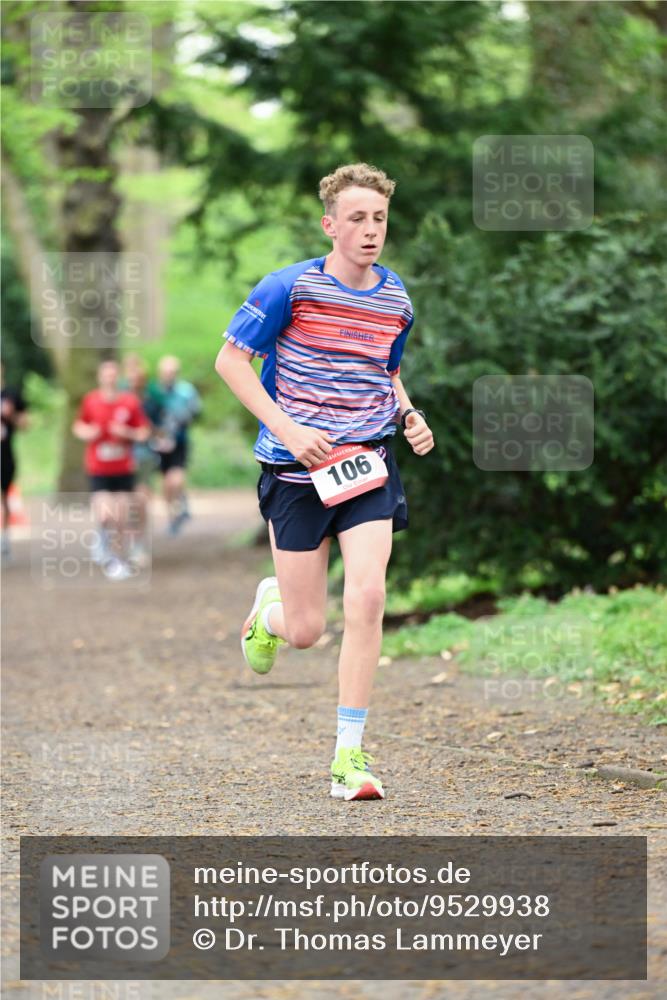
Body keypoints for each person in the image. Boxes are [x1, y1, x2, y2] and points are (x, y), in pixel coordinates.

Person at [215, 162, 434, 801]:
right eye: (358, 219)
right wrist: (288, 429)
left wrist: (410, 414)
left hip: (367, 464)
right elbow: (231, 362)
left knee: (366, 598)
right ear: (330, 225)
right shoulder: (289, 288)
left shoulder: (396, 299)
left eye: (380, 220)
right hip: (295, 471)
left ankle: (349, 757)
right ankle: (271, 612)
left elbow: (384, 374)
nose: (371, 232)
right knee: (307, 630)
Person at [72, 359, 150, 580]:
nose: (110, 378)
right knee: (106, 514)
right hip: (99, 469)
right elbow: (79, 426)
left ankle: (118, 559)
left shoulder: (130, 402)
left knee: (122, 517)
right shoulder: (91, 400)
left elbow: (144, 432)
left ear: (118, 377)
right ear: (100, 377)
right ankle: (104, 542)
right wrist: (88, 432)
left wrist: (127, 433)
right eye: (106, 375)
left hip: (123, 469)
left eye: (113, 375)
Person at [121, 354, 163, 565]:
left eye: (137, 381)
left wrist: (142, 425)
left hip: (143, 456)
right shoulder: (117, 401)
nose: (133, 384)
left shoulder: (151, 403)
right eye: (130, 381)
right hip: (119, 457)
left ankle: (137, 543)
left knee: (139, 499)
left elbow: (156, 431)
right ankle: (121, 541)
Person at [153, 356, 202, 535]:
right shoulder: (154, 391)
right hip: (158, 443)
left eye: (172, 372)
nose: (169, 375)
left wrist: (183, 417)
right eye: (166, 372)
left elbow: (196, 412)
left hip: (179, 441)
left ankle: (181, 504)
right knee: (166, 483)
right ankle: (173, 515)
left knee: (176, 478)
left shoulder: (186, 391)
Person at [1, 361, 29, 560]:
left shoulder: (11, 394)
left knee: (4, 497)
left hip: (5, 454)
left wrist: (11, 416)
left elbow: (25, 424)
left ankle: (4, 540)